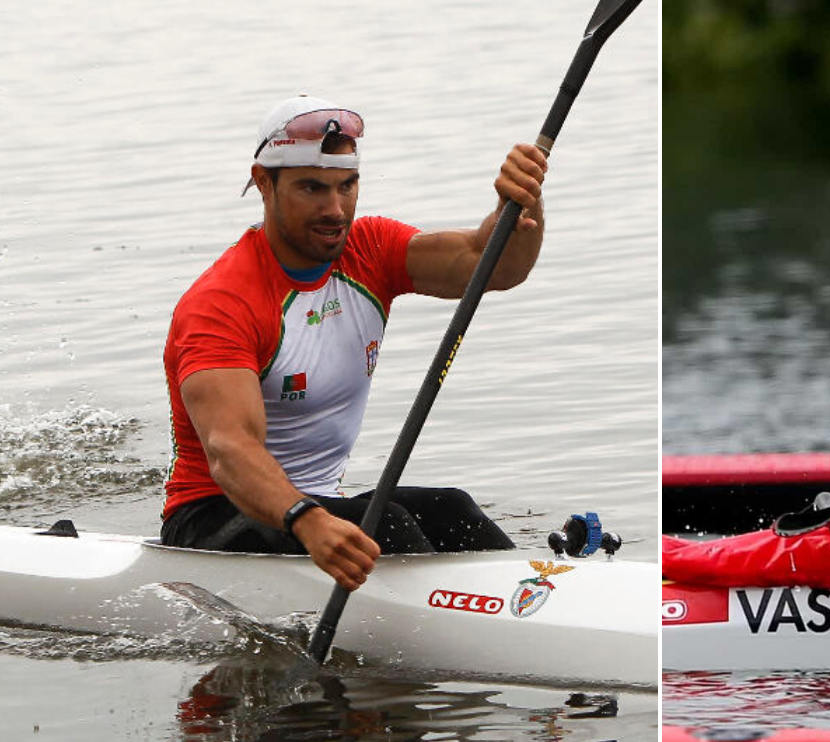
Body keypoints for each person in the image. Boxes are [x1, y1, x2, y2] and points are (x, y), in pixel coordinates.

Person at [161, 95, 549, 591]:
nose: (335, 208)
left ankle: (532, 600)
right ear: (264, 183)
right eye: (312, 189)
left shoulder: (369, 251)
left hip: (318, 507)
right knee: (386, 525)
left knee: (453, 509)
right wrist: (307, 518)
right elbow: (230, 448)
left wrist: (522, 199)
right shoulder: (222, 302)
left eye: (347, 186)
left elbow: (491, 263)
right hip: (214, 520)